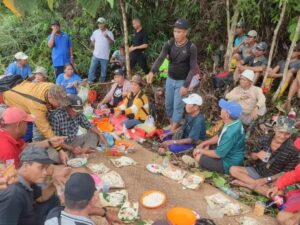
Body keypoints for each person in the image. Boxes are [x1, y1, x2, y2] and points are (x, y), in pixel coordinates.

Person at [146, 19, 198, 133]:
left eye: (179, 32)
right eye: (175, 31)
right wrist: (152, 71)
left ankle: (172, 130)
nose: (176, 34)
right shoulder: (169, 44)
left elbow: (193, 68)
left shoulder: (191, 47)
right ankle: (172, 125)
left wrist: (186, 85)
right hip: (170, 79)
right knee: (168, 105)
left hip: (182, 81)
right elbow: (161, 58)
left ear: (186, 32)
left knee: (178, 106)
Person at [0, 145, 70, 225]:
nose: (45, 173)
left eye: (46, 168)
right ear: (26, 166)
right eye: (41, 167)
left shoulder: (28, 181)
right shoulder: (14, 194)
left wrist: (54, 182)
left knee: (54, 199)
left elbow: (40, 197)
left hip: (30, 215)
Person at [230, 116, 298, 196]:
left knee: (280, 194)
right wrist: (257, 155)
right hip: (257, 171)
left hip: (273, 179)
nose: (282, 136)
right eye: (281, 132)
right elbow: (252, 155)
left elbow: (286, 173)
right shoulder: (265, 138)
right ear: (275, 129)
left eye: (287, 134)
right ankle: (256, 186)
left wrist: (266, 180)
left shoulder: (293, 150)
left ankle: (247, 184)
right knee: (233, 170)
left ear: (290, 134)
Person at [0, 107, 67, 167]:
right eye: (27, 123)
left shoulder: (9, 136)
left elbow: (25, 147)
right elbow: (12, 177)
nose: (27, 126)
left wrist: (50, 142)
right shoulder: (7, 149)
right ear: (19, 124)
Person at [45, 172, 121, 225]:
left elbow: (77, 210)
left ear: (63, 197)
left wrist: (105, 213)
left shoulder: (54, 212)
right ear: (94, 199)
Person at [192, 99, 244, 174]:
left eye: (223, 109)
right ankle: (204, 156)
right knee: (206, 144)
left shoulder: (230, 133)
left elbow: (218, 155)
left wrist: (200, 150)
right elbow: (219, 136)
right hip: (228, 151)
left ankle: (203, 162)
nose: (221, 109)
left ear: (227, 115)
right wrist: (204, 143)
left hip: (228, 162)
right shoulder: (233, 122)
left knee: (198, 156)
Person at [3, 82, 69, 139]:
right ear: (50, 98)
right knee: (21, 130)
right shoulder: (36, 105)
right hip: (8, 99)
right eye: (59, 103)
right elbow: (45, 129)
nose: (61, 105)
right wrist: (58, 147)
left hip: (20, 88)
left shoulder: (51, 86)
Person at [88, 17, 115, 83]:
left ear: (104, 24)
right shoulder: (95, 32)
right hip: (96, 55)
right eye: (99, 23)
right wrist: (95, 46)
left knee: (104, 72)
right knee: (92, 69)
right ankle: (90, 82)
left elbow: (112, 43)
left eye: (101, 23)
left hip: (105, 56)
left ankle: (101, 83)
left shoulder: (109, 33)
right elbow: (92, 39)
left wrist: (107, 37)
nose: (100, 25)